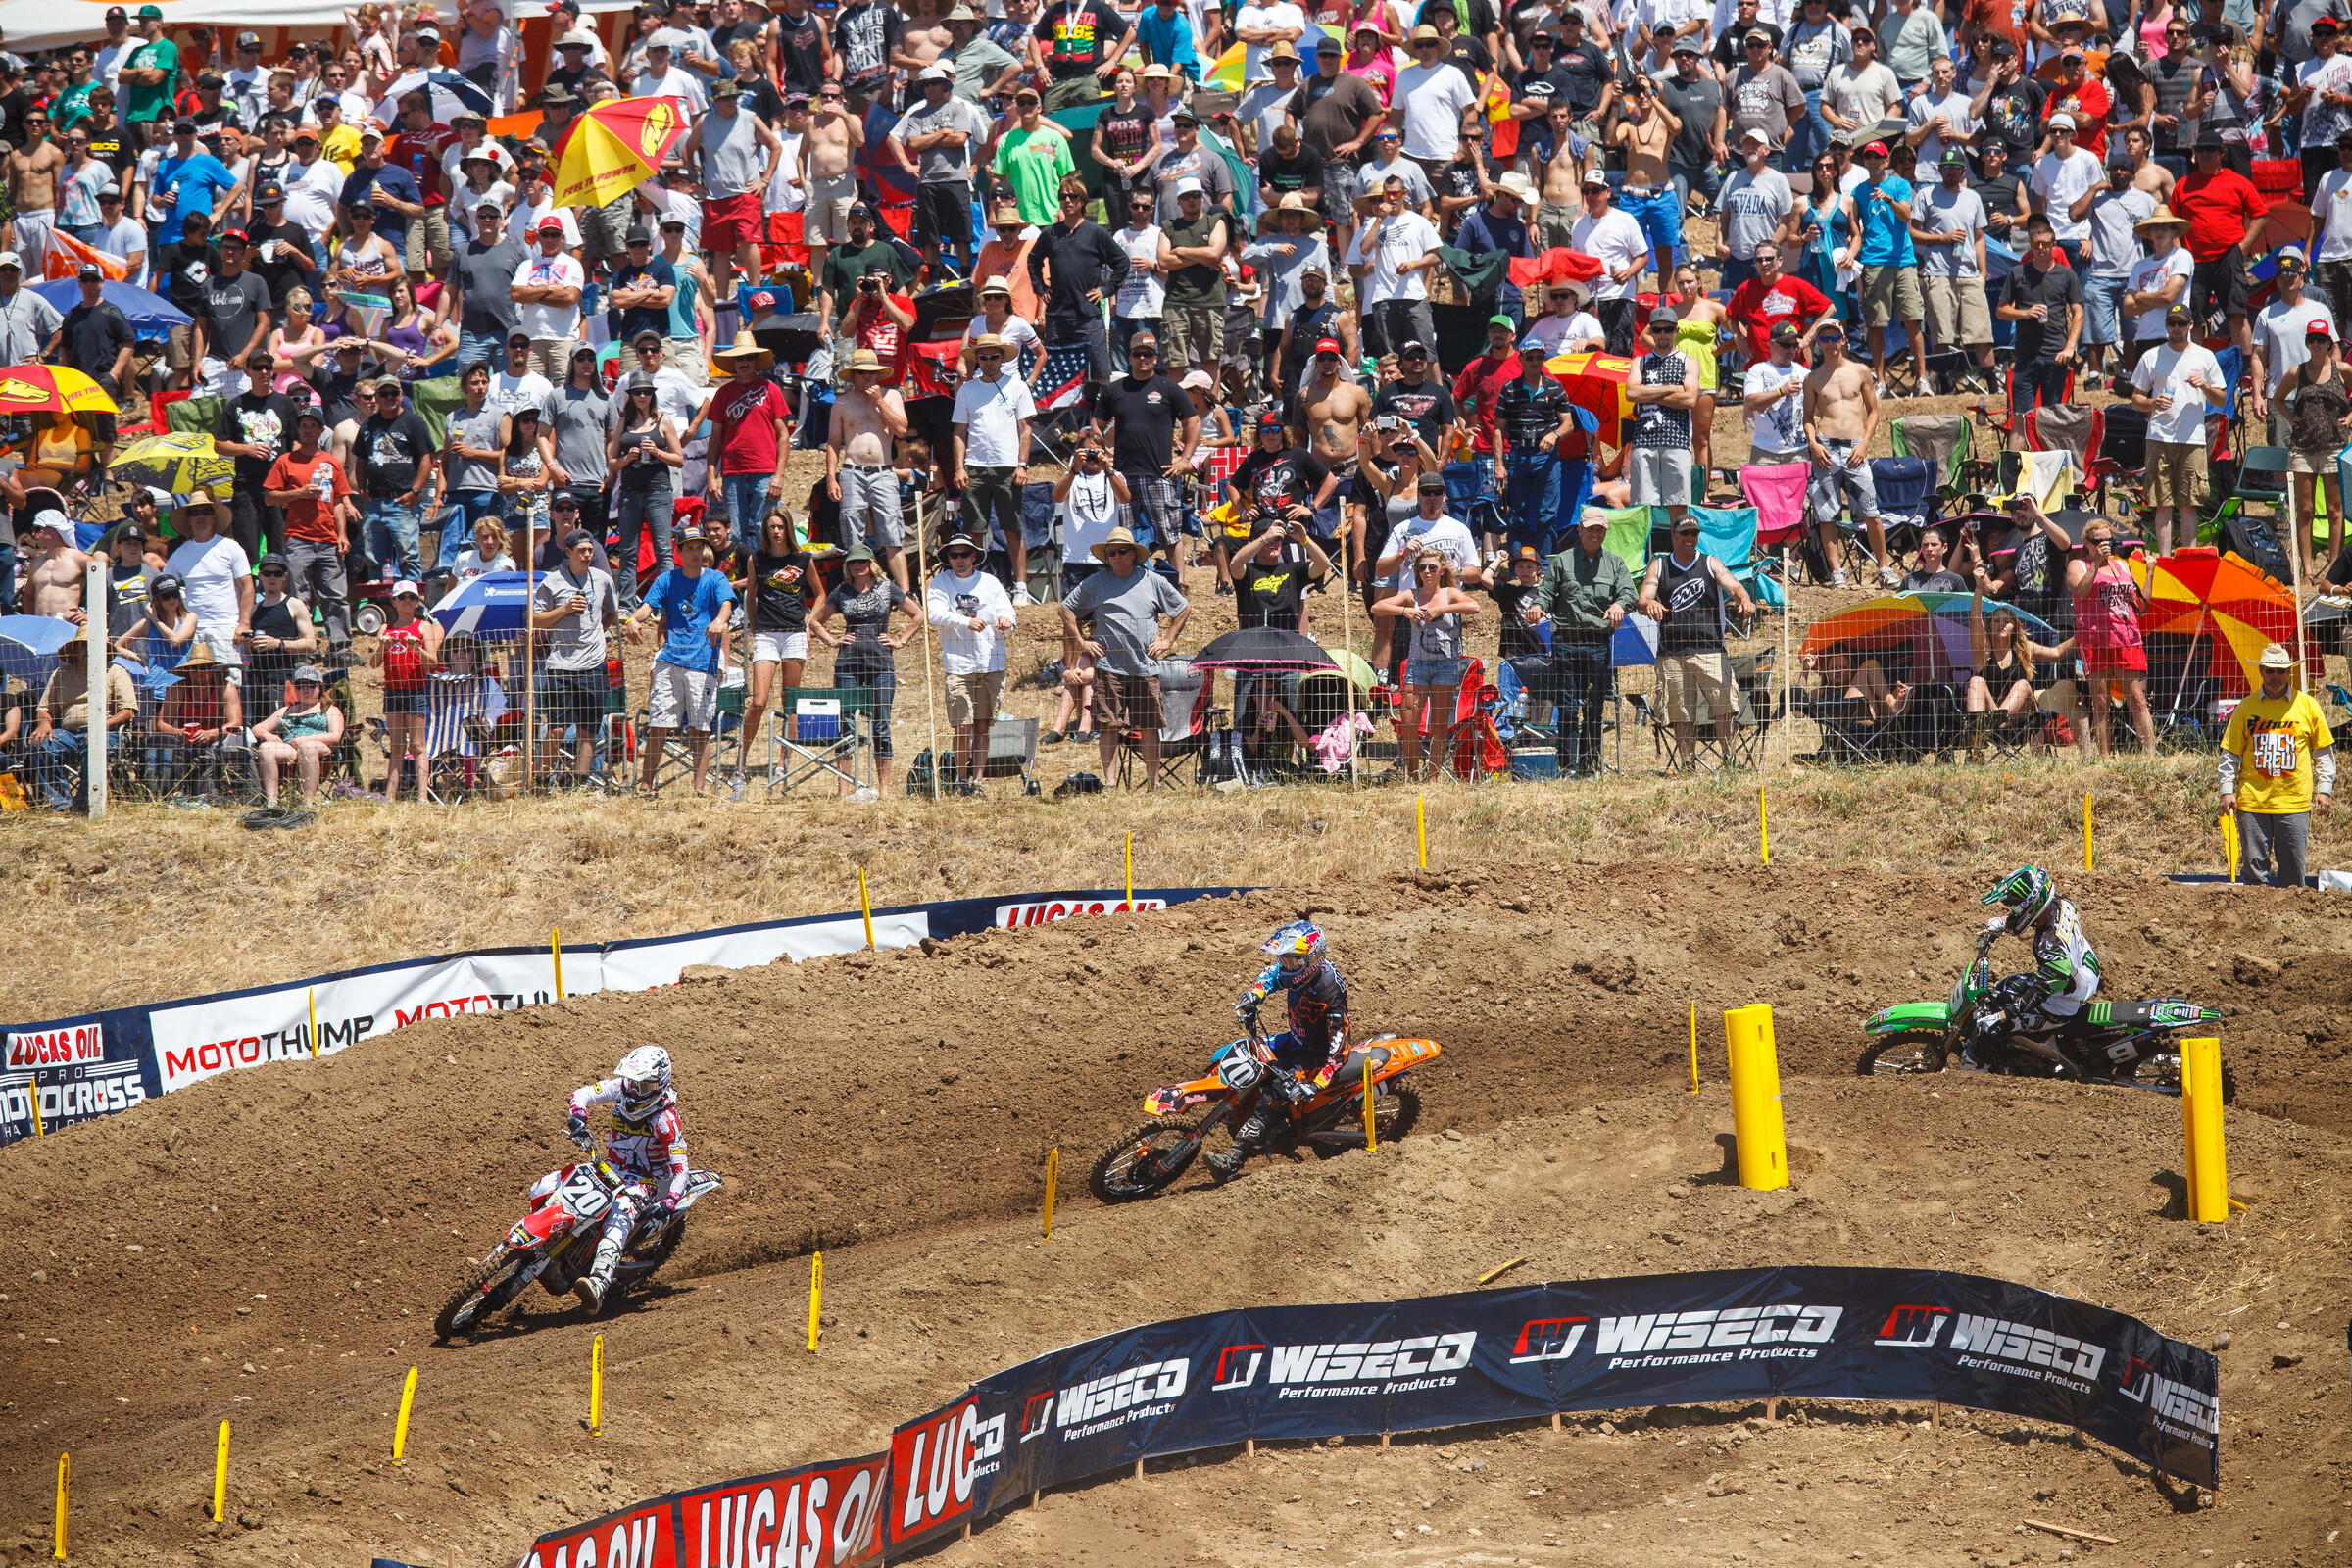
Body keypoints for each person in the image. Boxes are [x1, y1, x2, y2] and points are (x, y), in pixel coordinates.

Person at [1204, 920, 1351, 1181]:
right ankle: (1237, 1113)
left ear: (1313, 959)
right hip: (1294, 1039)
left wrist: (1317, 1083)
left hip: (1315, 1056)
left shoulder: (1327, 989)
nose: (1286, 967)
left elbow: (1340, 1043)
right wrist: (1254, 995)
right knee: (1234, 1052)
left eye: (1291, 962)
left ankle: (1233, 1160)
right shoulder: (1298, 971)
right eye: (1284, 960)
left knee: (1272, 1096)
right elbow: (1272, 974)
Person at [1058, 524, 1190, 788]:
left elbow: (1183, 609)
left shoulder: (1152, 581)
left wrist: (1168, 640)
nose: (1116, 556)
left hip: (1146, 667)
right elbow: (1066, 609)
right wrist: (1083, 642)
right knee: (1108, 726)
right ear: (1107, 557)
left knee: (1150, 728)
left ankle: (1154, 784)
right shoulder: (1096, 582)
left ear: (1133, 553)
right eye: (1111, 552)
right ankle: (1109, 785)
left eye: (1122, 551)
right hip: (1109, 667)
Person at [564, 1046, 688, 1313]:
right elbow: (583, 1093)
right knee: (556, 1183)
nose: (634, 1091)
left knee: (619, 1215)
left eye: (643, 1086)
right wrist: (578, 1115)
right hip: (612, 1167)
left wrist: (671, 1200)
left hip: (647, 1182)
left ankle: (598, 1283)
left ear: (658, 1085)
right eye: (633, 1082)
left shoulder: (665, 1120)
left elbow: (681, 1170)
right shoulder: (622, 1088)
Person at [1639, 512, 1757, 772]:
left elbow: (1734, 586)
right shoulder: (1659, 566)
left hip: (1710, 649)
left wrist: (1744, 599)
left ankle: (1729, 761)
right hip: (1672, 652)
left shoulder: (1711, 563)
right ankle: (1687, 765)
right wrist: (1651, 603)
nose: (1690, 538)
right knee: (1681, 713)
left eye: (1694, 534)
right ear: (1674, 536)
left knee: (1724, 707)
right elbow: (1642, 599)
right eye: (1685, 534)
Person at [627, 523, 735, 798]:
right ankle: (646, 786)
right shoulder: (667, 579)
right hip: (671, 659)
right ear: (680, 551)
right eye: (691, 548)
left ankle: (698, 790)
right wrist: (632, 620)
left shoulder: (715, 578)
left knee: (701, 728)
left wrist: (719, 621)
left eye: (700, 547)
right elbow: (647, 607)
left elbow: (726, 604)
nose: (696, 552)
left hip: (703, 661)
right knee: (659, 725)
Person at [2219, 641, 2337, 888]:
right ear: (2261, 671)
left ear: (2288, 672)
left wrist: (2324, 789)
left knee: (2293, 874)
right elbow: (2230, 754)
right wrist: (2226, 790)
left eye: (2280, 671)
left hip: (2294, 802)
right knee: (2253, 871)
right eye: (2270, 670)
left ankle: (2291, 924)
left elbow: (2324, 753)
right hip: (2252, 802)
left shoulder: (2308, 706)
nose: (2275, 676)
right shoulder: (2245, 708)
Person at [1532, 508, 1635, 778]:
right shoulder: (1562, 562)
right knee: (1566, 708)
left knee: (1594, 708)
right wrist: (1537, 606)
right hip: (1566, 642)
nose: (1595, 533)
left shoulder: (1616, 564)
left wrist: (1619, 604)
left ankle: (1590, 768)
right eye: (1590, 528)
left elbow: (1629, 593)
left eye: (1600, 529)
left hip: (1598, 644)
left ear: (1605, 532)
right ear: (1580, 530)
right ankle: (1567, 769)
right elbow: (1545, 594)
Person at [810, 541, 920, 795]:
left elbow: (919, 615)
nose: (858, 565)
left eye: (862, 561)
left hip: (881, 663)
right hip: (847, 664)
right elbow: (815, 621)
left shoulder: (887, 588)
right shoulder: (842, 591)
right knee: (846, 723)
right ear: (847, 566)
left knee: (881, 724)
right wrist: (832, 640)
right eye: (853, 562)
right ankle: (843, 789)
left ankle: (884, 789)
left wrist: (900, 640)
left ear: (872, 564)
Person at [2049, 513, 2155, 759]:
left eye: (2108, 541)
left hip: (2126, 637)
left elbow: (2141, 603)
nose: (2104, 545)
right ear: (2087, 543)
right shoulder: (2079, 565)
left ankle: (2150, 753)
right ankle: (2104, 756)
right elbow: (2081, 591)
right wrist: (2097, 562)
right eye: (2098, 542)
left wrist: (2150, 572)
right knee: (2101, 700)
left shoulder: (2122, 566)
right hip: (2095, 640)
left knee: (2137, 698)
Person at [2131, 304, 2229, 557]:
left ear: (2191, 325)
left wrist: (2204, 387)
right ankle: (2164, 561)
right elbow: (2135, 399)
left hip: (2192, 439)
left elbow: (2220, 400)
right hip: (2158, 437)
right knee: (2161, 504)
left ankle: (2190, 560)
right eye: (2172, 323)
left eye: (2181, 323)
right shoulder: (2151, 356)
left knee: (2188, 504)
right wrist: (2153, 403)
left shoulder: (2204, 356)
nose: (2176, 328)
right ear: (2166, 326)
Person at [1972, 866, 2102, 1056]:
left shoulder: (2049, 944)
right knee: (2007, 985)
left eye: (2015, 907)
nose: (2013, 911)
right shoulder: (2061, 903)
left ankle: (1994, 1064)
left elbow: (2046, 985)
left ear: (2032, 905)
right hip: (2084, 969)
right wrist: (2006, 921)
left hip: (2062, 1003)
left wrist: (2004, 1015)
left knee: (1998, 1026)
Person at [926, 529, 1014, 794]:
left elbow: (1008, 613)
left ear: (974, 556)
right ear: (948, 558)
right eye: (954, 555)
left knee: (983, 725)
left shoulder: (989, 582)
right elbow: (934, 615)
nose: (960, 559)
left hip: (990, 663)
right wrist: (966, 621)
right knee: (962, 727)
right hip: (958, 665)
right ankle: (960, 780)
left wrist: (1006, 622)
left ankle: (977, 781)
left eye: (965, 554)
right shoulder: (941, 583)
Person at [1995, 215, 2083, 446]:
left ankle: (2052, 469)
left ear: (2054, 244)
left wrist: (2070, 347)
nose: (2041, 249)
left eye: (2046, 244)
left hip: (2056, 356)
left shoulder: (2066, 275)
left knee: (2053, 417)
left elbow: (2079, 313)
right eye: (2036, 245)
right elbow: (2001, 311)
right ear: (2030, 245)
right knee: (2020, 418)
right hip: (2026, 356)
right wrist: (2025, 313)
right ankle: (2014, 472)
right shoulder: (2018, 273)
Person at [827, 348, 910, 591]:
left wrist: (879, 402)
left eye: (872, 373)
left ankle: (904, 592)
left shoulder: (892, 396)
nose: (868, 377)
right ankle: (858, 590)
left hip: (884, 472)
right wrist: (832, 478)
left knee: (892, 535)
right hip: (852, 471)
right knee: (854, 536)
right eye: (862, 373)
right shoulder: (842, 402)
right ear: (854, 375)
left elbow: (902, 430)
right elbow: (833, 443)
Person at [23, 635, 136, 811]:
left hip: (107, 732)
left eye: (92, 645)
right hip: (67, 734)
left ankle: (83, 806)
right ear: (75, 650)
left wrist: (100, 727)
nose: (87, 650)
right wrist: (45, 723)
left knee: (95, 747)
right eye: (83, 645)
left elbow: (127, 712)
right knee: (40, 743)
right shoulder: (61, 674)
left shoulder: (115, 671)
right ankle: (59, 803)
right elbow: (44, 708)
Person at [2276, 319, 2352, 578]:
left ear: (2329, 343)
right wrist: (2290, 418)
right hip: (2303, 448)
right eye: (2312, 339)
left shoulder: (2341, 369)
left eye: (2321, 339)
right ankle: (2307, 571)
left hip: (2334, 446)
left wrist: (2350, 418)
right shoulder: (2296, 373)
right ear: (2307, 343)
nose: (2316, 344)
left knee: (2334, 510)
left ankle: (2333, 570)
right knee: (2305, 509)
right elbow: (2276, 398)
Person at [1626, 310, 1699, 530]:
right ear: (1651, 332)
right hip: (1644, 442)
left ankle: (1678, 557)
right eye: (1657, 330)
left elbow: (1689, 398)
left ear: (1676, 330)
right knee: (1641, 506)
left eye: (1667, 329)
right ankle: (1643, 557)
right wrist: (1670, 389)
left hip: (1677, 441)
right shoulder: (1640, 362)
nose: (1663, 335)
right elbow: (1631, 393)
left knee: (1677, 505)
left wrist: (1648, 391)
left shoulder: (1688, 362)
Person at [251, 661, 343, 808]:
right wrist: (269, 736)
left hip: (321, 751)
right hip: (291, 750)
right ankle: (272, 802)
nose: (305, 689)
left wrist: (305, 739)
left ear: (319, 688)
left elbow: (335, 736)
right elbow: (257, 728)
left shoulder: (328, 710)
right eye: (300, 686)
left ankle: (308, 802)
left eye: (311, 685)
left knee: (308, 747)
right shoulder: (286, 711)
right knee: (266, 747)